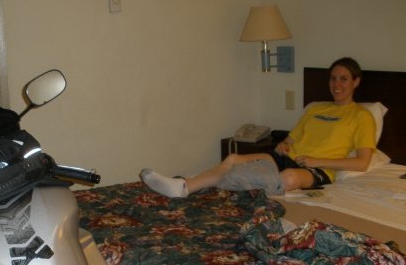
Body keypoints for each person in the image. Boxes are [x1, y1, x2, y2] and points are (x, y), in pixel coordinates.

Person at [140, 57, 377, 198]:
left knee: (289, 179)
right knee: (233, 158)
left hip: (317, 169)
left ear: (356, 81)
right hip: (286, 158)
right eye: (333, 78)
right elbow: (291, 140)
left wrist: (316, 161)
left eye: (344, 78)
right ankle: (184, 187)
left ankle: (229, 186)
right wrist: (284, 145)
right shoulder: (316, 109)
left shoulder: (361, 116)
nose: (337, 84)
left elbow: (362, 162)